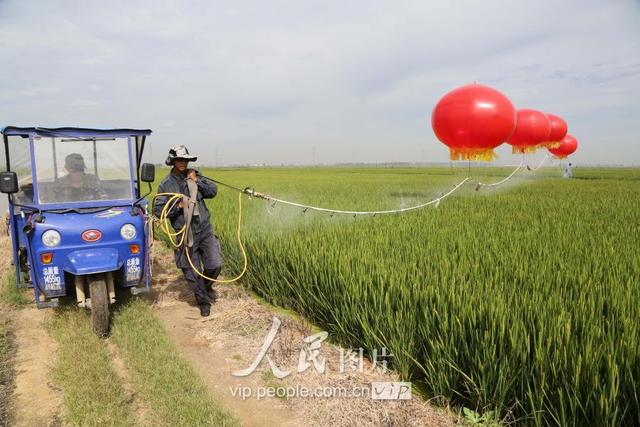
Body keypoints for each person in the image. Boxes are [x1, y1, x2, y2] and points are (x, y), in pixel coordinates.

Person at [153, 145, 222, 317]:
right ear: (173, 161)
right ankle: (203, 301)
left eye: (185, 159)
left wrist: (198, 180)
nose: (183, 163)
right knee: (192, 270)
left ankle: (205, 288)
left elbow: (213, 192)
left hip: (204, 228)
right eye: (179, 160)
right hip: (185, 232)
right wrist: (178, 206)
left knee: (215, 264)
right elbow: (158, 210)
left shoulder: (195, 176)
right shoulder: (166, 185)